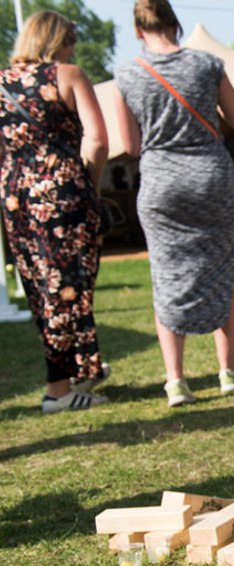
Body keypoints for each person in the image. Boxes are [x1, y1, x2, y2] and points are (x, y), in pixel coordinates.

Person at [112, 0, 234, 406]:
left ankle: (176, 381)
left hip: (161, 186)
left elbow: (132, 145)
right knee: (223, 269)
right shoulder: (208, 64)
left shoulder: (127, 74)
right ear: (176, 23)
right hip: (212, 179)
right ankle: (227, 371)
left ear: (139, 31)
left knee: (166, 275)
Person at [1, 10, 110, 414]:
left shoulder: (1, 85)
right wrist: (90, 185)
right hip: (64, 195)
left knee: (41, 290)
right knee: (70, 289)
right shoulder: (69, 75)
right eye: (70, 39)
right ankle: (60, 390)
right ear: (57, 40)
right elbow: (98, 141)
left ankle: (75, 375)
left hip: (17, 200)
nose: (73, 47)